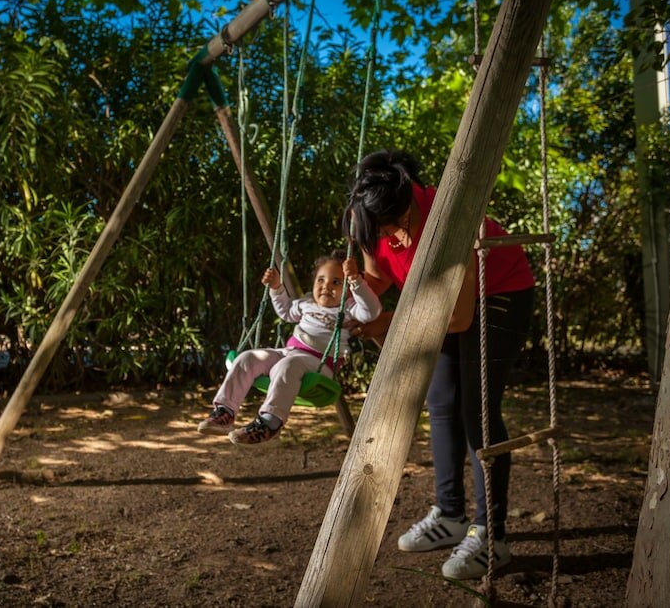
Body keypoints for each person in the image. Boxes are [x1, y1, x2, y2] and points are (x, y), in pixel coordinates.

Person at [343, 149, 535, 581]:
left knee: (476, 412)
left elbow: (458, 317)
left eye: (390, 228)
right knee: (442, 403)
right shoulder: (373, 218)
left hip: (497, 292)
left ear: (406, 206)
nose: (385, 237)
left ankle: (491, 536)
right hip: (437, 304)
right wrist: (352, 292)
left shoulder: (447, 217)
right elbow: (379, 278)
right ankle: (450, 516)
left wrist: (388, 321)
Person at [198, 249, 382, 446]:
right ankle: (224, 412)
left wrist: (356, 280)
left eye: (336, 282)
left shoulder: (349, 308)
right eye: (321, 280)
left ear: (347, 288)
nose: (326, 286)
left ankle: (269, 423)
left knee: (286, 366)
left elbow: (372, 311)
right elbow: (286, 311)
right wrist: (277, 287)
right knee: (248, 357)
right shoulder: (307, 302)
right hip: (289, 353)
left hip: (319, 363)